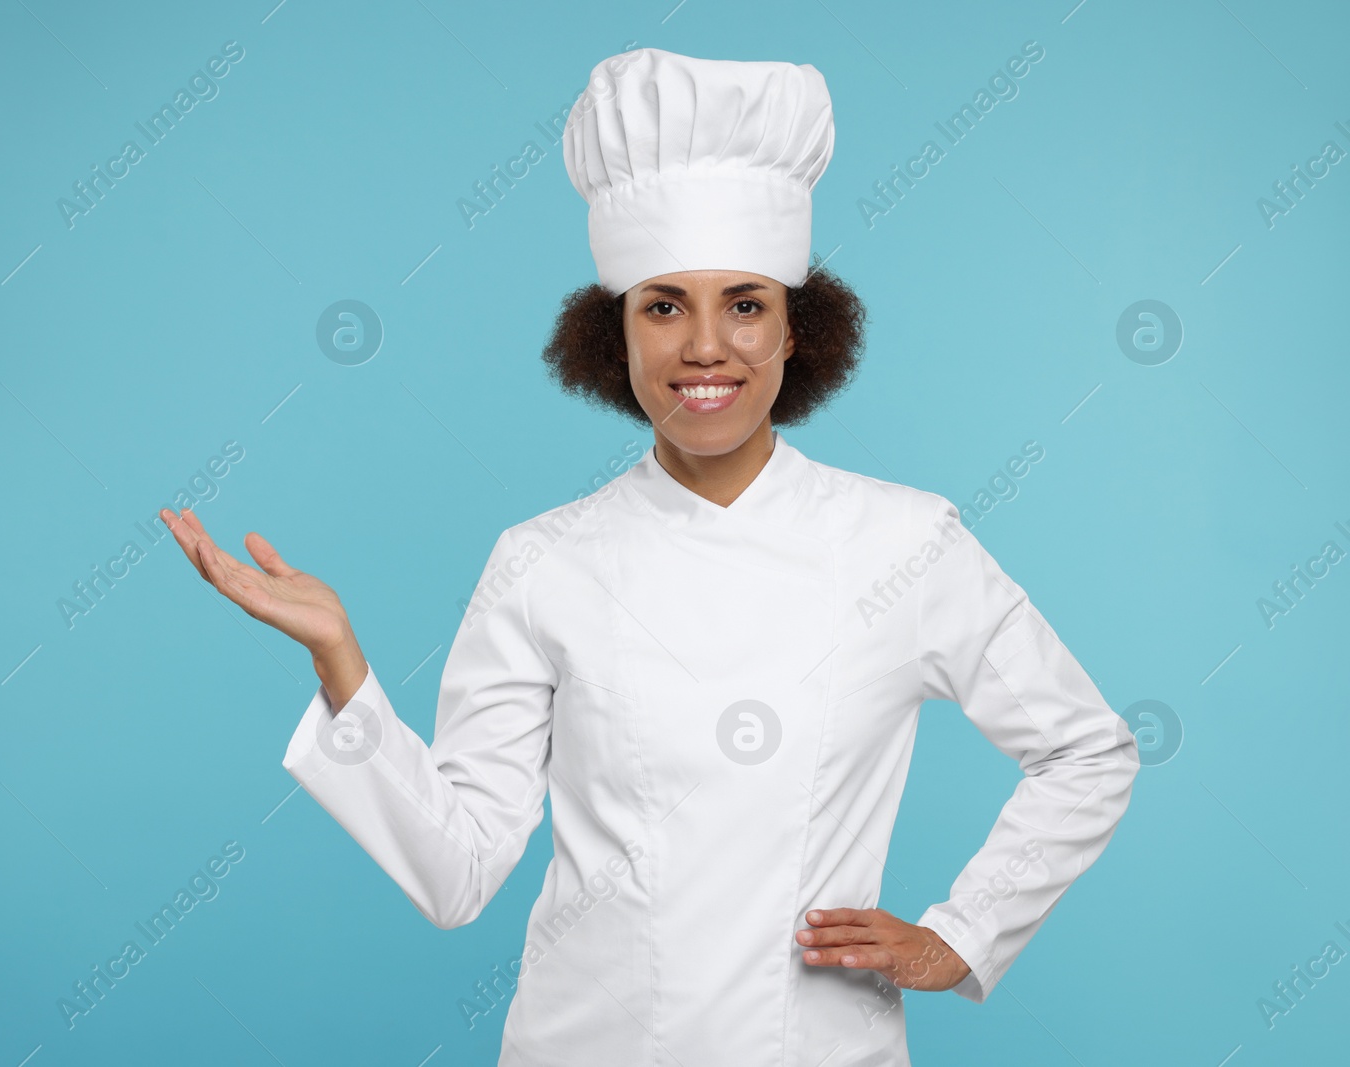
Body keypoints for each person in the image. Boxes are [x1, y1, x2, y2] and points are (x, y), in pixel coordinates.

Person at [162, 46, 1139, 1067]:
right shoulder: (542, 561)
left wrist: (962, 934)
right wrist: (340, 659)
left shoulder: (903, 541)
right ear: (613, 335)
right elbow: (455, 874)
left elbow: (1086, 749)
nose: (705, 346)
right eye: (663, 305)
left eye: (746, 304)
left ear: (798, 332)